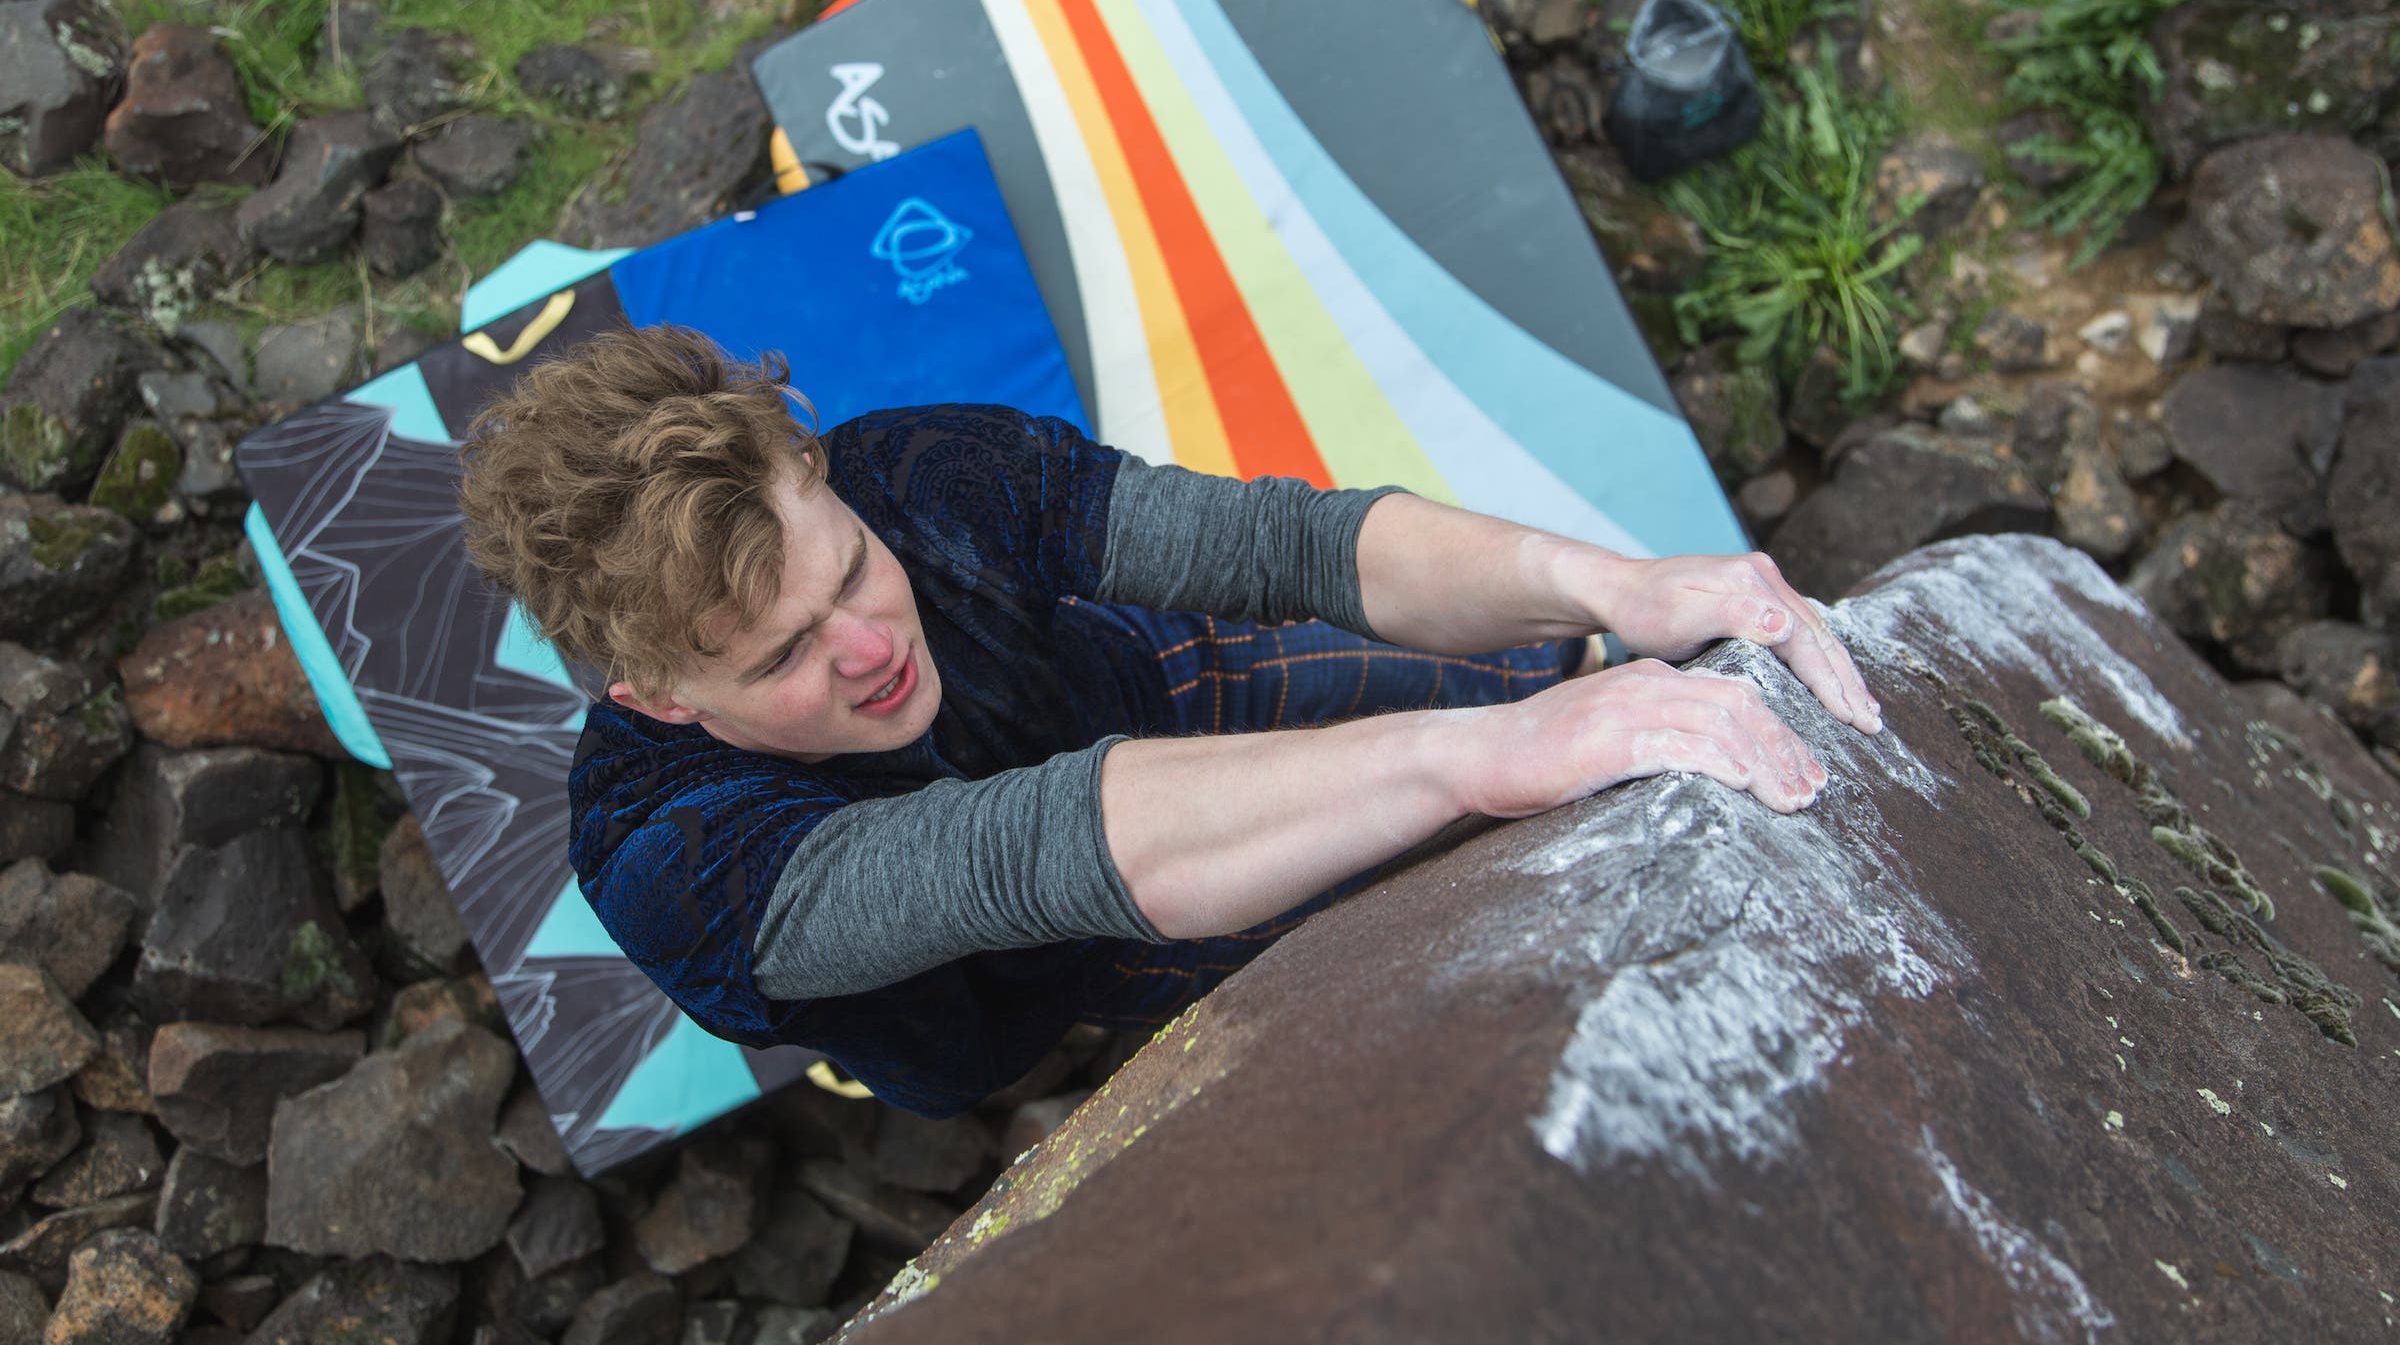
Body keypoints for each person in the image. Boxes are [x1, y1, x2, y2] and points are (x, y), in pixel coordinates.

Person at [456, 323, 1881, 1117]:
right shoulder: (665, 856)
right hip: (1074, 956)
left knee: (1541, 705)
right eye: (779, 660)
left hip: (1162, 692)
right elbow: (1026, 859)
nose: (868, 649)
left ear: (819, 468)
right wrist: (1488, 760)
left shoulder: (923, 473)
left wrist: (1615, 584)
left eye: (851, 574)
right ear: (656, 695)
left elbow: (1285, 551)